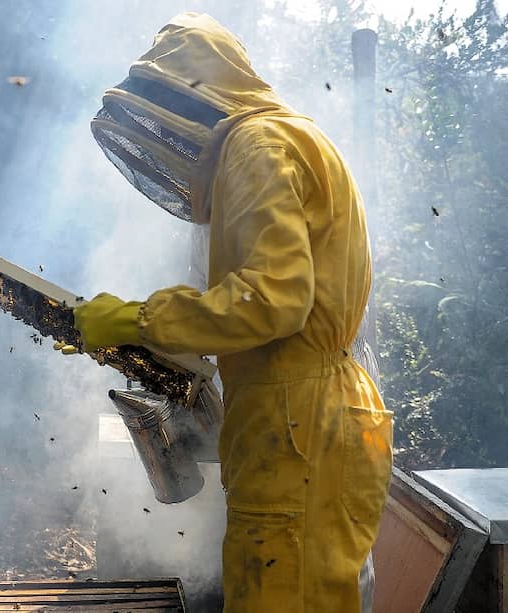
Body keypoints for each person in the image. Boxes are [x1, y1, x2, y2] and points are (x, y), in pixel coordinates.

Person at [70, 13, 393, 613]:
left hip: (298, 425)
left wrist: (140, 320)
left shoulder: (257, 144)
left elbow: (273, 300)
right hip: (310, 420)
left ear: (195, 92)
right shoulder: (290, 138)